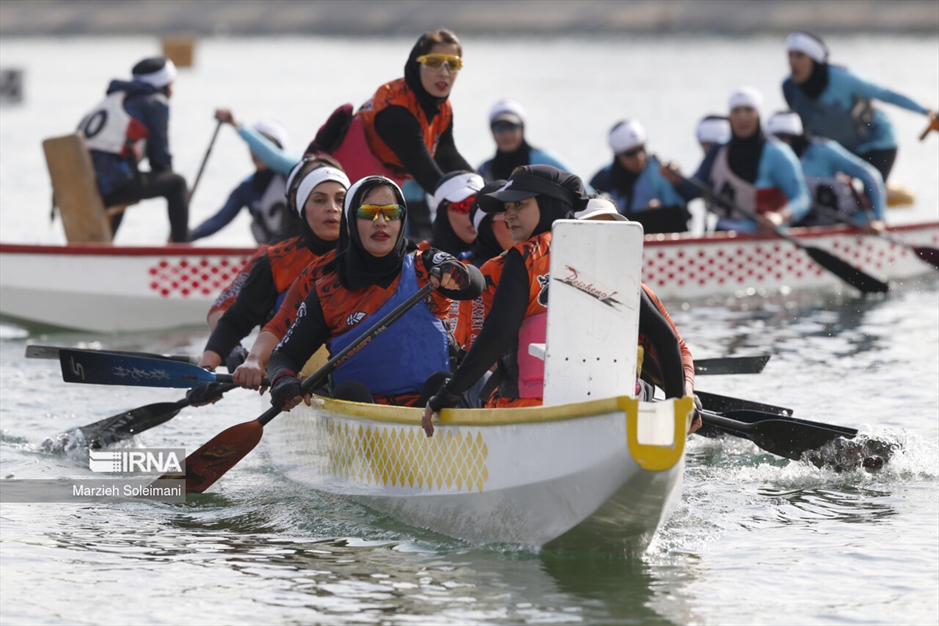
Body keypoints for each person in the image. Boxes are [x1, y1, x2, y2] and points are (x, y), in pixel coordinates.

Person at [422, 166, 697, 436]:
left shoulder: (524, 257)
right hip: (615, 413)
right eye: (505, 208)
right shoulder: (610, 260)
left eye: (519, 205)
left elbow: (497, 335)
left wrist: (446, 395)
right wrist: (677, 410)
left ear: (548, 204)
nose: (509, 215)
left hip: (530, 415)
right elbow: (665, 339)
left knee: (439, 383)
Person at [266, 175, 484, 410]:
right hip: (365, 418)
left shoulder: (427, 265)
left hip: (432, 408)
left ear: (401, 220)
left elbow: (475, 283)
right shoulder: (327, 291)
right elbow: (283, 355)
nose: (381, 222)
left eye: (391, 213)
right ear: (350, 222)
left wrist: (460, 274)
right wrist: (283, 379)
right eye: (369, 213)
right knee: (349, 392)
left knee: (443, 382)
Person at [308, 29, 474, 239]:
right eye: (434, 62)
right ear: (417, 63)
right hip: (325, 200)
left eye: (453, 64)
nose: (444, 72)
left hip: (363, 199)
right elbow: (429, 176)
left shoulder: (442, 108)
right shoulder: (396, 111)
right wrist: (477, 204)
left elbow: (448, 156)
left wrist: (485, 187)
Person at [196, 163, 350, 377]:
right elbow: (228, 314)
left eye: (340, 198)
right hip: (285, 360)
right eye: (319, 198)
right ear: (298, 201)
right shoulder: (273, 258)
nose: (332, 207)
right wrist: (226, 355)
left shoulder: (370, 251)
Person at [782, 31, 936, 181]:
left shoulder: (843, 79)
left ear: (814, 59)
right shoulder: (788, 88)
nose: (793, 62)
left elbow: (887, 94)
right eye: (790, 56)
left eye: (800, 56)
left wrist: (926, 111)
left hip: (877, 144)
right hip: (840, 150)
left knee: (867, 199)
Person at [663, 87, 812, 233]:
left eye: (748, 110)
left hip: (764, 237)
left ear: (758, 115)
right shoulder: (718, 150)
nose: (742, 117)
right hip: (723, 234)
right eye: (736, 111)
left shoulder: (778, 153)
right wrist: (676, 178)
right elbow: (693, 191)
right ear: (730, 117)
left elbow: (802, 198)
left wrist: (780, 216)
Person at [77, 56, 188, 242]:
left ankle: (102, 250)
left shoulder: (115, 97)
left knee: (128, 180)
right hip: (108, 186)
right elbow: (160, 160)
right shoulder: (155, 101)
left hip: (82, 185)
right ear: (166, 84)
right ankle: (182, 252)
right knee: (177, 184)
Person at [189, 110, 303, 243]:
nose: (256, 152)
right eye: (252, 147)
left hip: (300, 253)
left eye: (262, 146)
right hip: (270, 257)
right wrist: (184, 236)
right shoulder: (247, 187)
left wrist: (235, 124)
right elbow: (219, 220)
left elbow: (274, 157)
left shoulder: (296, 168)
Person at [765, 110, 886, 231]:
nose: (771, 148)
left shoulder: (824, 151)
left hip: (850, 225)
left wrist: (879, 219)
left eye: (777, 141)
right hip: (800, 230)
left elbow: (870, 175)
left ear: (791, 139)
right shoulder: (768, 161)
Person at [589, 120, 688, 233]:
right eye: (630, 154)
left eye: (641, 149)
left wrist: (659, 211)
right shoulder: (606, 175)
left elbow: (681, 210)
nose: (639, 157)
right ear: (618, 157)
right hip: (623, 237)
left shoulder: (660, 169)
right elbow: (586, 203)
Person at [477, 99, 580, 183]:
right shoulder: (484, 171)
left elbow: (583, 190)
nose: (506, 134)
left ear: (522, 128)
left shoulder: (546, 161)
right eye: (499, 128)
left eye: (511, 126)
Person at [430, 170, 484, 256]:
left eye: (481, 206)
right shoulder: (416, 262)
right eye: (464, 205)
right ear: (442, 213)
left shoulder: (505, 259)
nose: (474, 213)